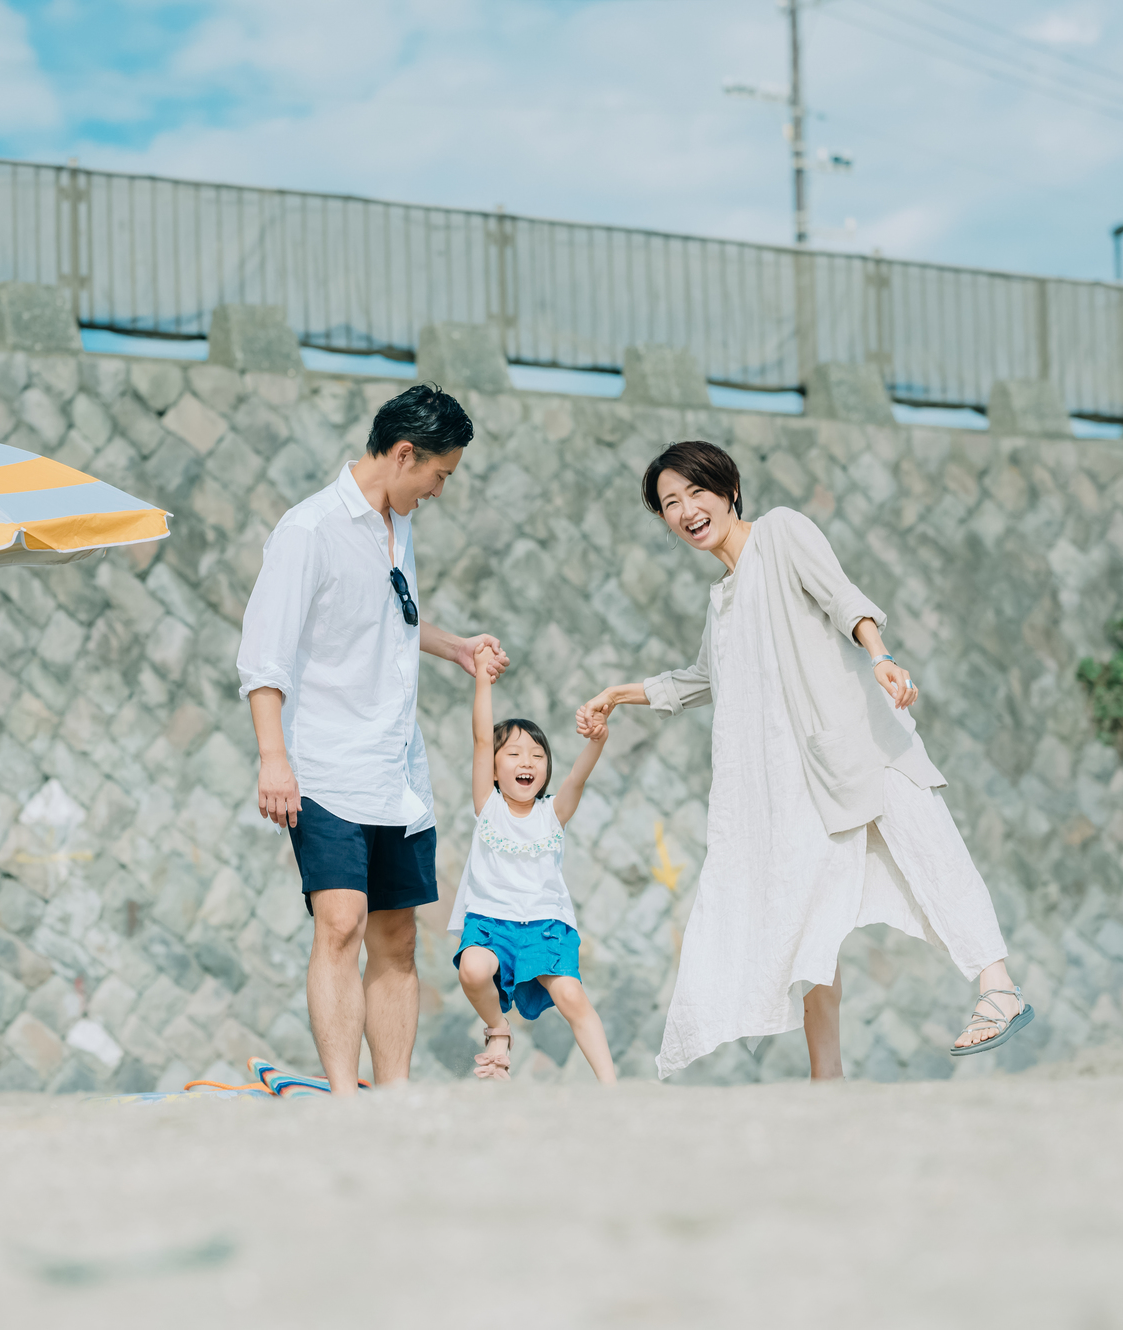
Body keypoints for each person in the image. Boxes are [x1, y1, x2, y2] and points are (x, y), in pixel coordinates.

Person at [575, 440, 1034, 1081]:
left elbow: (843, 597)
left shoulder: (782, 532)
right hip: (796, 785)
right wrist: (619, 694)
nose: (685, 511)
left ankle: (999, 988)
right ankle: (828, 1075)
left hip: (862, 745)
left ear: (730, 489)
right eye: (670, 504)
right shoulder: (724, 598)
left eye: (696, 493)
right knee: (809, 919)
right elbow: (703, 679)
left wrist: (881, 658)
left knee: (932, 854)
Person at [237, 384, 507, 1097]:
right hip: (323, 765)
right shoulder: (309, 531)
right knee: (342, 923)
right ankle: (343, 1094)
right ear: (403, 453)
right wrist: (273, 761)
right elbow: (264, 657)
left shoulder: (398, 523)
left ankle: (393, 1094)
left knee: (398, 937)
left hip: (397, 768)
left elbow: (386, 620)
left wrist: (452, 647)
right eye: (438, 475)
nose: (439, 491)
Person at [448, 644, 618, 1083]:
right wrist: (482, 679)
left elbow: (577, 777)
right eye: (514, 754)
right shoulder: (488, 806)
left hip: (546, 925)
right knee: (473, 969)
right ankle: (498, 1033)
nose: (527, 762)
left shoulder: (552, 814)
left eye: (537, 756)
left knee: (572, 997)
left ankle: (611, 1085)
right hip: (491, 923)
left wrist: (597, 742)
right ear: (493, 770)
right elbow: (482, 737)